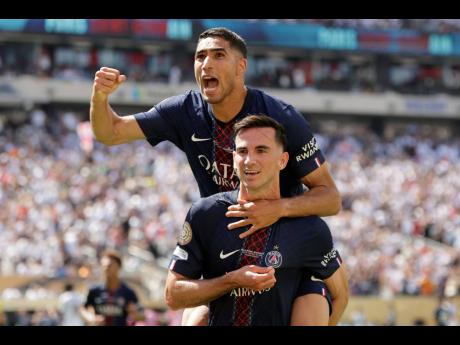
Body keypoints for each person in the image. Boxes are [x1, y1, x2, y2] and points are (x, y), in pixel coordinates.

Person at [90, 27, 341, 324]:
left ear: (241, 66)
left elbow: (330, 198)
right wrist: (100, 97)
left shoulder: (280, 118)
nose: (206, 63)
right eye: (200, 56)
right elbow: (111, 132)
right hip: (223, 242)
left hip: (286, 248)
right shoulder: (184, 111)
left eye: (218, 55)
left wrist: (277, 209)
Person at [164, 115, 349, 326]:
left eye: (261, 150)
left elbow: (340, 295)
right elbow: (173, 294)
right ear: (233, 159)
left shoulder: (309, 229)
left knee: (316, 296)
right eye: (242, 151)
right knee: (197, 316)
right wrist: (232, 280)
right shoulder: (205, 214)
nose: (250, 160)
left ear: (283, 160)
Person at [80, 249, 142, 326]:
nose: (106, 269)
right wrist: (91, 318)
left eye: (109, 266)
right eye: (104, 266)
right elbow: (82, 309)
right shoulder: (94, 290)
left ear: (119, 267)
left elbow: (141, 315)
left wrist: (134, 313)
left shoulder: (128, 292)